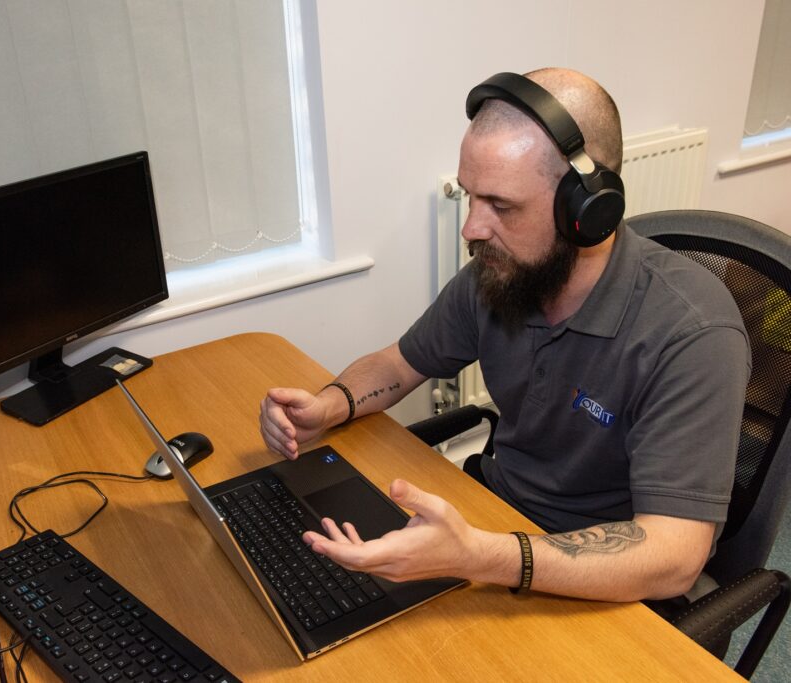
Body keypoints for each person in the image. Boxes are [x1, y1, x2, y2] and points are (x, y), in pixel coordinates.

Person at [258, 68, 750, 603]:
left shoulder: (693, 332)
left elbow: (674, 557)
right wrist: (328, 406)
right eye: (470, 197)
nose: (472, 227)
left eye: (502, 206)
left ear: (588, 210)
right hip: (498, 522)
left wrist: (480, 556)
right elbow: (399, 364)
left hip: (610, 588)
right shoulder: (500, 276)